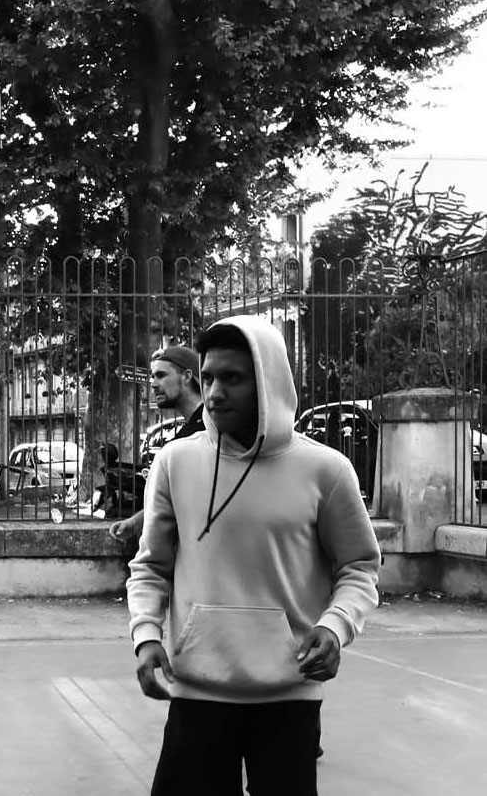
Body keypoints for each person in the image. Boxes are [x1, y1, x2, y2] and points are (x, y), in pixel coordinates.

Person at [127, 316, 381, 794]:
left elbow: (359, 567)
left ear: (268, 382)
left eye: (233, 378)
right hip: (197, 691)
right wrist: (145, 634)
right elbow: (151, 567)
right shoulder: (174, 463)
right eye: (207, 378)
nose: (216, 392)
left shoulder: (326, 470)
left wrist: (335, 625)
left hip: (289, 694)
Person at [108, 345, 205, 545]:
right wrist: (135, 523)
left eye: (161, 375)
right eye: (153, 376)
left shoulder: (207, 427)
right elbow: (173, 496)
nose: (153, 384)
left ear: (187, 376)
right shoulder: (189, 430)